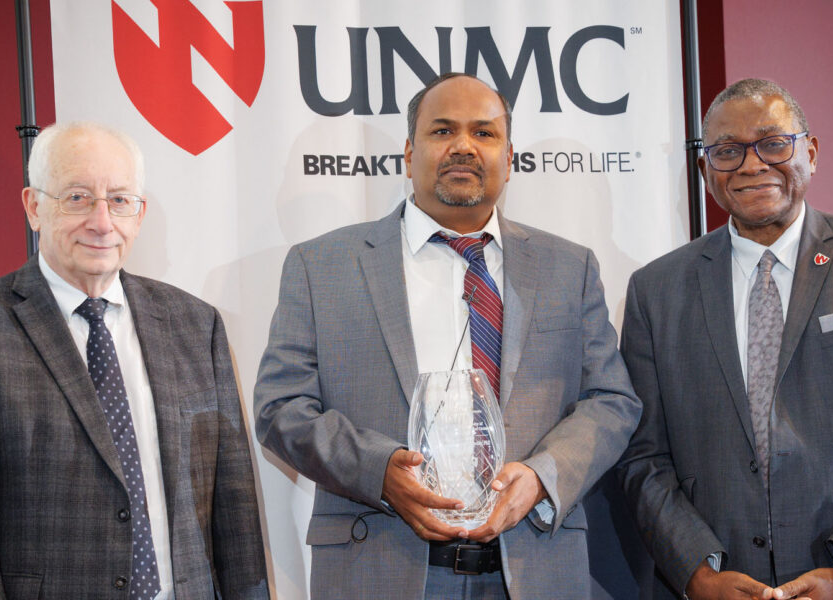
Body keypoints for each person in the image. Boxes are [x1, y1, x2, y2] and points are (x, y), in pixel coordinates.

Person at [254, 72, 640, 599]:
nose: (464, 146)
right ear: (409, 153)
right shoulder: (321, 266)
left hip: (533, 567)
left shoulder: (568, 267)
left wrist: (542, 476)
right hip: (380, 564)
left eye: (484, 133)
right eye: (442, 131)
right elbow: (281, 408)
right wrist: (379, 471)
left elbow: (611, 401)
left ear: (510, 156)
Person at [0, 122, 268, 599]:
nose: (102, 222)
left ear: (139, 214)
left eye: (120, 200)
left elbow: (235, 507)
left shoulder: (195, 324)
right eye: (78, 198)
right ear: (33, 206)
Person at [618, 78, 833, 600]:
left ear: (811, 152)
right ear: (707, 170)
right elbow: (641, 455)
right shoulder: (654, 290)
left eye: (774, 143)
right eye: (727, 152)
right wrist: (696, 572)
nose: (752, 166)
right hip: (720, 577)